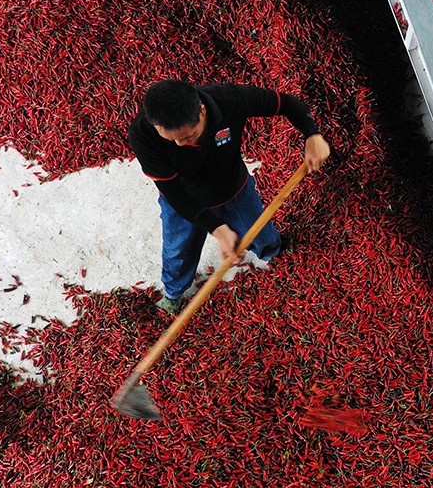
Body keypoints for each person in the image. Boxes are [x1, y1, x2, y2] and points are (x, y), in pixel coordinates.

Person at [128, 79, 330, 314]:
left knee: (265, 237)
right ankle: (174, 293)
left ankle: (275, 255)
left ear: (202, 110)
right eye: (171, 139)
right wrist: (216, 228)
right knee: (177, 253)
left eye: (189, 135)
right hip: (184, 200)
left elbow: (286, 103)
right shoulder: (142, 133)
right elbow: (173, 191)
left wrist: (312, 135)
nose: (180, 144)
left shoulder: (230, 99)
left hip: (233, 188)